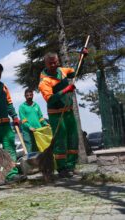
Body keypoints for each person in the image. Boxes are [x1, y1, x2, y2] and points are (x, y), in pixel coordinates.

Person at [38, 50, 88, 178]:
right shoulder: (44, 81)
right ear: (46, 64)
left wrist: (82, 57)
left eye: (55, 62)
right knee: (61, 140)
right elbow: (50, 99)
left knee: (73, 138)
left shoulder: (63, 71)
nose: (53, 65)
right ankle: (62, 168)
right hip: (56, 114)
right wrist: (66, 89)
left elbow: (76, 71)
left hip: (69, 111)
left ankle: (71, 166)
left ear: (58, 61)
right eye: (50, 63)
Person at [19, 88, 49, 153]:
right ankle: (30, 162)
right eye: (27, 95)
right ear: (25, 96)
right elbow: (23, 120)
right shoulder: (22, 107)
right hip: (28, 132)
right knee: (30, 151)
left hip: (37, 131)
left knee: (39, 149)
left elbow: (40, 117)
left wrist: (45, 123)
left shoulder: (36, 105)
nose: (29, 96)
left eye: (30, 95)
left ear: (33, 95)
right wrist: (29, 127)